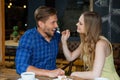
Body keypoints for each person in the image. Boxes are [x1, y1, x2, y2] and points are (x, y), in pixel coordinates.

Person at [61, 11, 120, 80]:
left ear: (89, 26)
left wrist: (73, 74)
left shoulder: (101, 44)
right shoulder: (85, 42)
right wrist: (64, 41)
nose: (77, 24)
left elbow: (95, 74)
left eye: (80, 23)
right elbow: (70, 57)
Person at [15, 6, 64, 77]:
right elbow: (20, 66)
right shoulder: (29, 37)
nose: (56, 25)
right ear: (41, 24)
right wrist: (48, 73)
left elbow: (70, 56)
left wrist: (64, 39)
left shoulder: (56, 35)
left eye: (56, 22)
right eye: (53, 22)